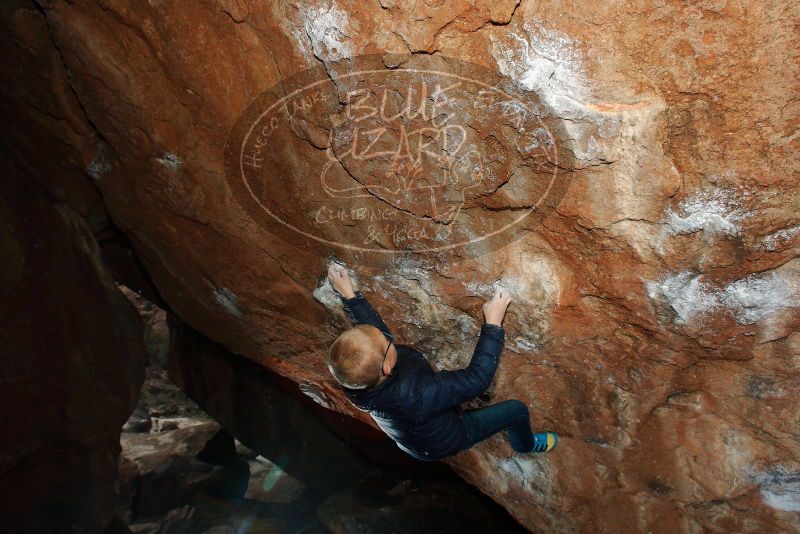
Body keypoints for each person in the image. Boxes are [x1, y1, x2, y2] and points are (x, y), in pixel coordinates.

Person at [325, 263, 558, 462]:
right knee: (516, 410)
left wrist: (350, 297)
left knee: (436, 399)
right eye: (387, 343)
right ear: (386, 368)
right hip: (446, 440)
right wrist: (493, 324)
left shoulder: (354, 378)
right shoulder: (417, 394)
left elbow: (373, 338)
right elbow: (477, 380)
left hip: (416, 436)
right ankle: (525, 444)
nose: (385, 336)